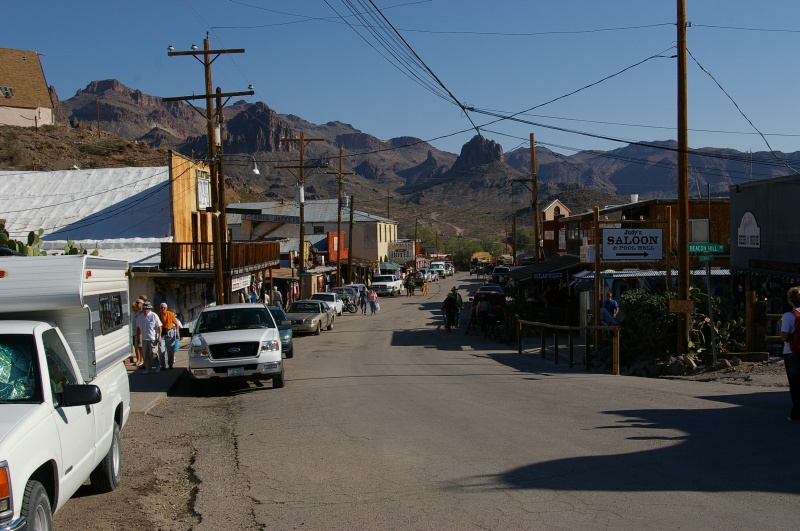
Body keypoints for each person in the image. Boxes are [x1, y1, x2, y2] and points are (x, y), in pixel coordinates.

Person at [781, 286, 800, 423]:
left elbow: (784, 337)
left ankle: (796, 415)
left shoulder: (788, 316)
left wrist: (780, 325)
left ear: (790, 300)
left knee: (795, 384)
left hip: (792, 352)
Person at [135, 301, 162, 374]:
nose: (145, 310)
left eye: (146, 309)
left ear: (149, 309)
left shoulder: (154, 315)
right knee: (145, 354)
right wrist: (138, 338)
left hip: (152, 338)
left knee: (153, 353)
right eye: (144, 309)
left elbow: (159, 326)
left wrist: (159, 336)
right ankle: (148, 368)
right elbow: (138, 328)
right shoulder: (140, 317)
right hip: (144, 338)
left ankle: (157, 366)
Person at [158, 302, 183, 370]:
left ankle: (170, 364)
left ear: (166, 308)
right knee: (161, 350)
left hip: (170, 332)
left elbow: (176, 324)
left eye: (164, 308)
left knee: (170, 349)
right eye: (161, 308)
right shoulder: (158, 315)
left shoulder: (170, 314)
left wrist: (177, 332)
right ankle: (162, 365)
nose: (163, 309)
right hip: (161, 332)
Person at [131, 299, 144, 367]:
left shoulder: (141, 313)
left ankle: (142, 360)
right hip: (134, 332)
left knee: (140, 347)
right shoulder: (134, 314)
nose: (133, 308)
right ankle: (138, 359)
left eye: (134, 307)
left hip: (140, 332)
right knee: (136, 347)